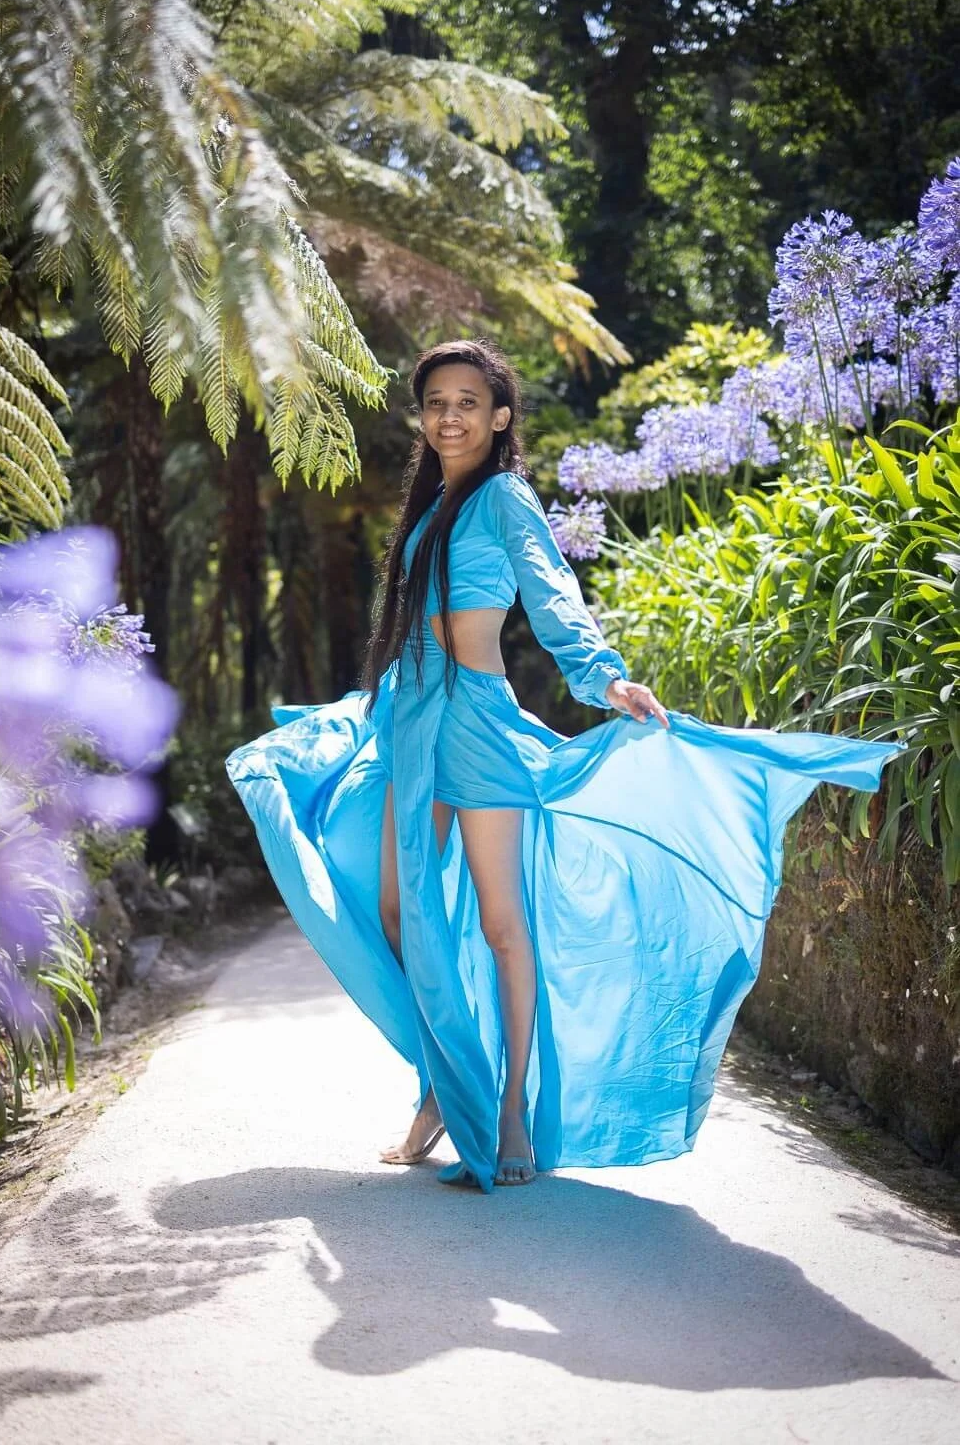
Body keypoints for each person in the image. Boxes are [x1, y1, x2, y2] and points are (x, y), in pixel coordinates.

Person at [227, 338, 898, 1193]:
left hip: (473, 721)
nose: (450, 415)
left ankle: (508, 1110)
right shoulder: (431, 506)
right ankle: (442, 1085)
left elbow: (550, 592)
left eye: (469, 401)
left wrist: (604, 677)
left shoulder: (505, 497)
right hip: (408, 717)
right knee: (401, 911)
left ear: (499, 416)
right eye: (436, 402)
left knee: (504, 925)